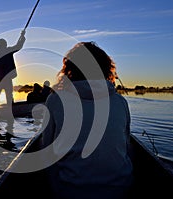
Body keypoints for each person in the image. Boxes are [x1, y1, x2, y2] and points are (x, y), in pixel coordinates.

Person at [40, 42, 133, 199]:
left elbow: (47, 152)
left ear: (70, 70)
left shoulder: (55, 101)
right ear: (105, 69)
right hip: (119, 190)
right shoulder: (120, 102)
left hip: (70, 191)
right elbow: (127, 147)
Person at [0, 30, 26, 107]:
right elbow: (18, 46)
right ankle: (9, 107)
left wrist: (22, 37)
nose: (6, 44)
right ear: (1, 45)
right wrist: (22, 36)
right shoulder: (6, 51)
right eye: (5, 43)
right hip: (5, 77)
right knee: (7, 94)